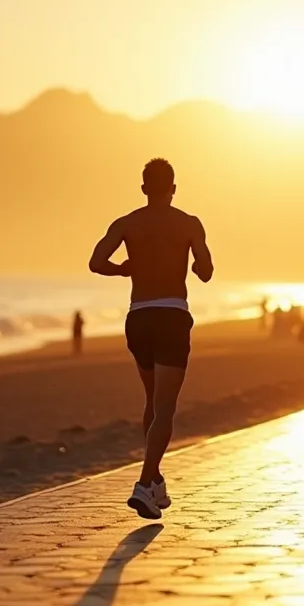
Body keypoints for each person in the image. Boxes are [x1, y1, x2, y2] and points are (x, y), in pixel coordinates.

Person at [89, 158, 214, 520]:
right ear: (173, 188)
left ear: (144, 188)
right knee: (165, 407)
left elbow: (96, 262)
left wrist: (123, 269)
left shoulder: (127, 223)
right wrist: (196, 264)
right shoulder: (189, 224)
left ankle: (156, 480)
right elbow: (206, 271)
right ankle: (144, 484)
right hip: (171, 316)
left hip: (139, 317)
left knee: (152, 402)